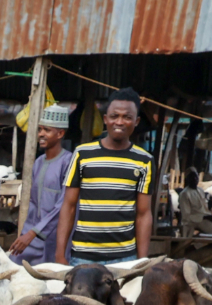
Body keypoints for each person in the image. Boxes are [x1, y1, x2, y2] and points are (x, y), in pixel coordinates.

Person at [55, 87, 153, 266]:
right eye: (115, 116)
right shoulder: (82, 154)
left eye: (127, 117)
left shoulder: (144, 161)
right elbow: (68, 206)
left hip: (124, 259)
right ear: (106, 119)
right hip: (83, 257)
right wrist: (60, 254)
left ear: (136, 121)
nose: (120, 122)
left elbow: (143, 214)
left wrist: (142, 260)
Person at [9, 105, 74, 264]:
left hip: (56, 238)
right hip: (33, 237)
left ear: (60, 133)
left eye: (47, 130)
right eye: (40, 130)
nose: (41, 134)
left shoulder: (69, 162)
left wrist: (33, 232)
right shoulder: (38, 163)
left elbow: (64, 205)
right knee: (12, 272)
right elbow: (33, 203)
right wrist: (26, 233)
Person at [178, 169, 212, 237]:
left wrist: (210, 207)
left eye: (196, 177)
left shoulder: (200, 190)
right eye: (192, 177)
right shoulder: (185, 194)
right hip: (195, 221)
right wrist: (204, 217)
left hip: (205, 218)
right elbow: (186, 216)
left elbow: (204, 208)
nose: (194, 179)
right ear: (188, 179)